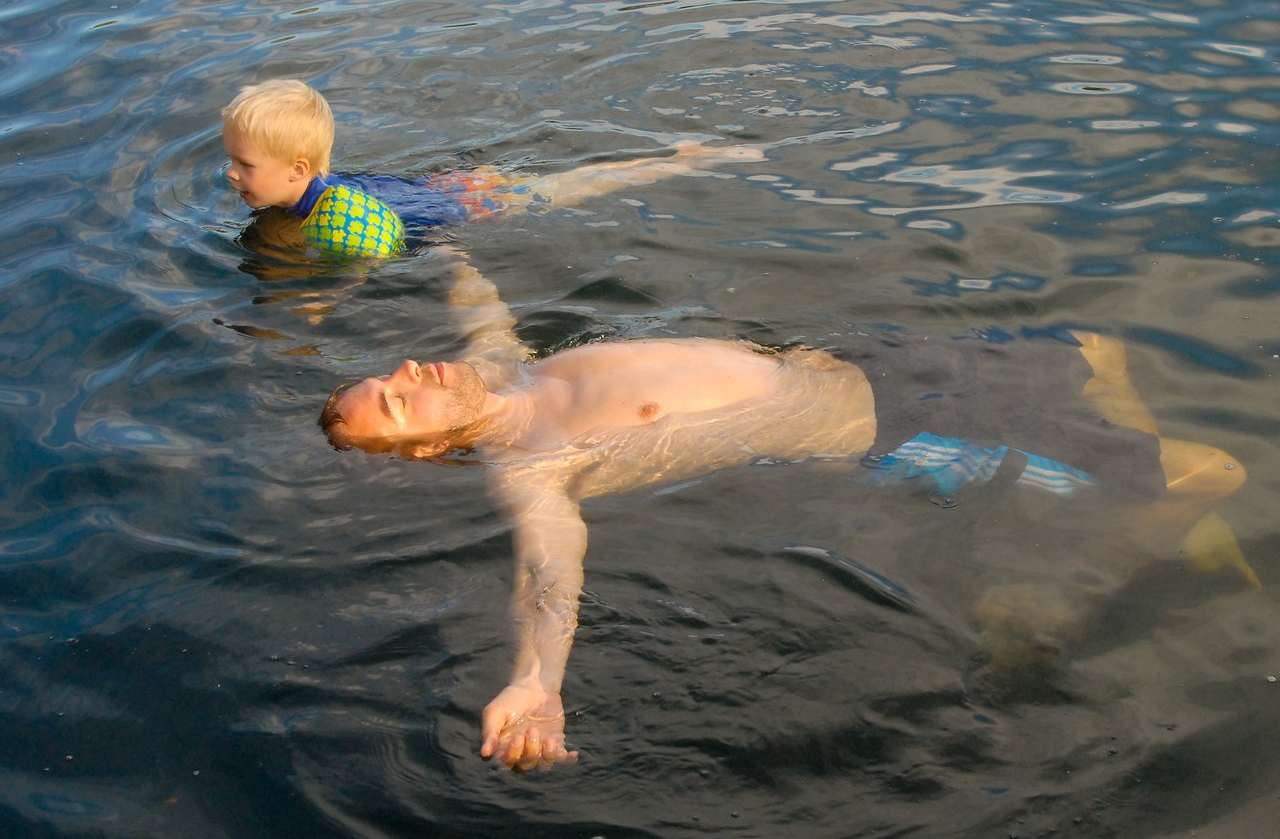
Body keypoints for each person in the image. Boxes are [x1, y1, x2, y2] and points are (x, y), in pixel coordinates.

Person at [317, 247, 1255, 772]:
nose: (409, 374)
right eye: (401, 402)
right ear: (432, 449)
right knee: (1214, 471)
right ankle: (1102, 558)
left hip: (867, 363)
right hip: (897, 428)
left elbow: (481, 309)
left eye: (393, 373)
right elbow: (546, 570)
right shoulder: (531, 464)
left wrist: (446, 247)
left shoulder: (505, 369)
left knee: (1093, 342)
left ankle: (1125, 474)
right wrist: (538, 679)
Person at [221, 79, 760, 259]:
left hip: (461, 204)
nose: (231, 175)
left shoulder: (337, 217)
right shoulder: (309, 196)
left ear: (297, 169)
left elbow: (358, 265)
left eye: (243, 164)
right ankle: (679, 158)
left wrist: (316, 301)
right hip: (433, 189)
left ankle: (686, 161)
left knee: (578, 187)